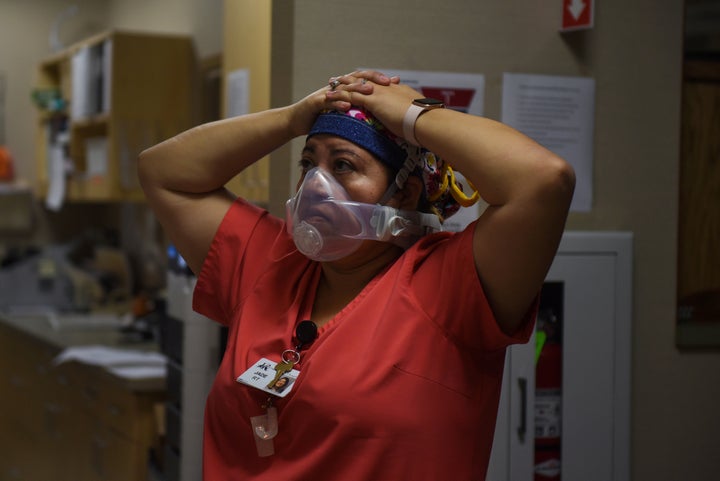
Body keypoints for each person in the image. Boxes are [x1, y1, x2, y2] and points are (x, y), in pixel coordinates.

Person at [138, 70, 575, 481]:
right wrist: (293, 119)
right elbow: (164, 172)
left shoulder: (449, 286)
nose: (315, 186)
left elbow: (543, 180)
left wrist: (415, 114)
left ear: (403, 192)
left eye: (343, 165)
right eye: (308, 164)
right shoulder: (271, 265)